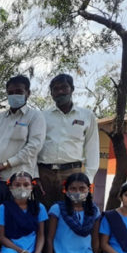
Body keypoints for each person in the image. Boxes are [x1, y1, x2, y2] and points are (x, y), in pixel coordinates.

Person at [0, 75, 46, 247]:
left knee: (16, 221)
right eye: (10, 92)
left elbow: (34, 146)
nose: (14, 95)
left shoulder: (35, 117)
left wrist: (4, 165)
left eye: (19, 91)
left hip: (19, 180)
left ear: (28, 93)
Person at [37, 74, 99, 209]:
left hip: (72, 173)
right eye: (55, 89)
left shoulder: (87, 116)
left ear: (72, 89)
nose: (60, 91)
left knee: (70, 211)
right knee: (43, 212)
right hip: (44, 173)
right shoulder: (42, 116)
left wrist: (88, 177)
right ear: (51, 93)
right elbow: (34, 146)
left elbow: (92, 148)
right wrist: (35, 175)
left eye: (64, 87)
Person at [46, 173, 102, 253]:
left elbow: (95, 239)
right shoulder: (57, 209)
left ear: (89, 189)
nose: (78, 192)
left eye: (82, 188)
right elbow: (50, 239)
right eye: (73, 189)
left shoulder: (94, 210)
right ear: (66, 191)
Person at [0, 172, 51, 253]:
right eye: (17, 185)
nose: (22, 188)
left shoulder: (39, 207)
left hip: (32, 249)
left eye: (26, 185)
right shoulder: (3, 208)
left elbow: (41, 235)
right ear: (10, 187)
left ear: (32, 187)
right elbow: (1, 237)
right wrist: (21, 252)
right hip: (12, 249)